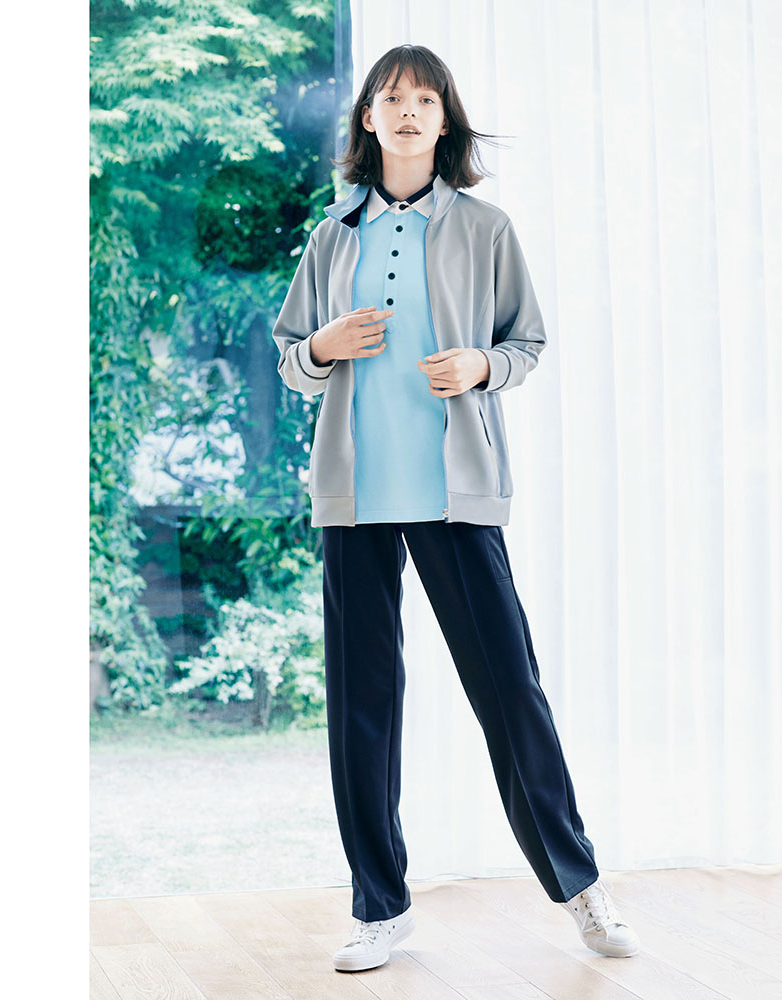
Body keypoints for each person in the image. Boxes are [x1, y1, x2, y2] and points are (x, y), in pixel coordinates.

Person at [272, 43, 640, 973]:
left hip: (456, 492)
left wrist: (481, 364)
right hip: (354, 496)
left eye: (425, 100)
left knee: (510, 692)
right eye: (391, 98)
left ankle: (581, 888)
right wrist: (323, 344)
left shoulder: (484, 228)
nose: (407, 112)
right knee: (361, 708)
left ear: (445, 121)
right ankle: (378, 908)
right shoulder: (332, 237)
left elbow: (527, 342)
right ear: (367, 118)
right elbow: (292, 362)